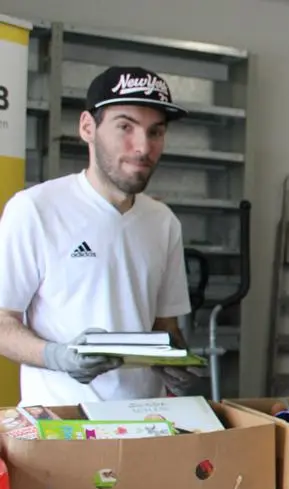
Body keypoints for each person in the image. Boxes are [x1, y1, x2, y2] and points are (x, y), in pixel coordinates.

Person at [0, 66, 208, 406]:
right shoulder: (35, 210)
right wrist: (57, 356)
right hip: (62, 423)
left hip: (147, 419)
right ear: (87, 127)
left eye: (155, 131)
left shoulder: (163, 222)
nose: (143, 147)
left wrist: (177, 360)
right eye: (125, 126)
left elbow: (164, 325)